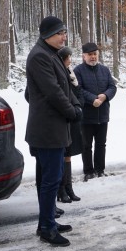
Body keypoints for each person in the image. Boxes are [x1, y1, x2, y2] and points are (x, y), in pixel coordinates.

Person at [25, 16, 81, 246]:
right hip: (47, 130)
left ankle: (46, 222)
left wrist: (74, 104)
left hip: (53, 128)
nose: (64, 36)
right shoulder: (40, 56)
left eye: (64, 32)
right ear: (47, 34)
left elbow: (64, 86)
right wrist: (72, 111)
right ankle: (47, 227)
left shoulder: (50, 54)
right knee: (50, 180)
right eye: (60, 33)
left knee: (48, 178)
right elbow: (53, 91)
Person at [74, 42, 118, 180]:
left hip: (103, 114)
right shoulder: (78, 71)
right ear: (84, 56)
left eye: (95, 54)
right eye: (90, 54)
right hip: (86, 115)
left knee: (101, 144)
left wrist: (105, 96)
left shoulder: (104, 70)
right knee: (86, 145)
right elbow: (78, 89)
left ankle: (100, 169)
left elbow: (112, 87)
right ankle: (88, 171)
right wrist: (92, 99)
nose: (93, 57)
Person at [57, 46, 82, 203]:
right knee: (60, 156)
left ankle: (69, 187)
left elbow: (76, 92)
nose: (70, 61)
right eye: (68, 58)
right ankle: (61, 189)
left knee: (68, 155)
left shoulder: (70, 73)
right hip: (60, 120)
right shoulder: (56, 73)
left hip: (71, 119)